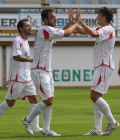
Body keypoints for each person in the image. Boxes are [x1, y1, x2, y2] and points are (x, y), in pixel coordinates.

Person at [22, 8, 81, 136]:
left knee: (49, 101)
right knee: (47, 100)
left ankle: (47, 130)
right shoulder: (44, 29)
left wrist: (70, 22)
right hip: (39, 71)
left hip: (46, 71)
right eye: (52, 17)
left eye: (55, 17)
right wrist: (76, 22)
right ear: (45, 20)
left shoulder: (48, 31)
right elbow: (67, 33)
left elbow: (61, 32)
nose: (55, 19)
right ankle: (28, 120)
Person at [72, 7, 120, 136]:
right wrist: (74, 22)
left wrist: (80, 21)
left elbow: (93, 34)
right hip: (101, 66)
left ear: (104, 17)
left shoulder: (108, 29)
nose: (96, 17)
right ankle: (98, 129)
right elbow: (83, 31)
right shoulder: (101, 29)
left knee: (94, 96)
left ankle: (113, 122)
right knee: (97, 97)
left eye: (98, 15)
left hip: (104, 65)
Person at [0, 19, 42, 133]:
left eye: (30, 25)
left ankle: (35, 126)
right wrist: (31, 60)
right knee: (10, 103)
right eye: (27, 26)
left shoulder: (26, 42)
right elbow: (16, 56)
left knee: (34, 99)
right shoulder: (17, 40)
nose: (30, 27)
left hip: (27, 77)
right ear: (21, 29)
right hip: (18, 78)